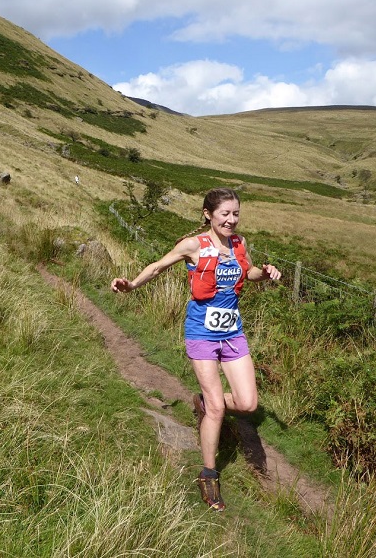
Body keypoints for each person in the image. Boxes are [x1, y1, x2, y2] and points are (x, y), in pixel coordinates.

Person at [110, 187, 281, 511]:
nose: (231, 220)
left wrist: (265, 273)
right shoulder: (194, 245)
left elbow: (249, 272)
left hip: (232, 332)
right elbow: (158, 266)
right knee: (217, 408)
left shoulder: (239, 243)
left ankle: (203, 403)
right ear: (208, 214)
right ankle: (208, 474)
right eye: (225, 214)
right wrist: (131, 285)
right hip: (201, 333)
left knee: (247, 403)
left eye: (235, 213)